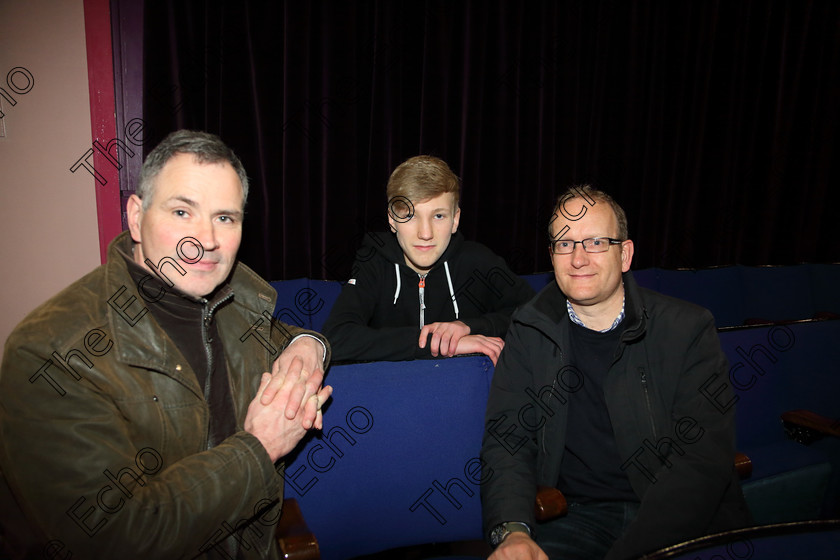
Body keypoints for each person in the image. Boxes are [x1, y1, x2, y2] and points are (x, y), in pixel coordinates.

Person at [0, 130, 332, 560]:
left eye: (225, 218)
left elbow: (286, 338)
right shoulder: (50, 353)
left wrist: (309, 346)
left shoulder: (231, 299)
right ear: (136, 216)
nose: (205, 239)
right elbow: (111, 539)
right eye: (181, 211)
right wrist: (260, 447)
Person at [480, 185, 751, 560]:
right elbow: (507, 442)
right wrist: (512, 531)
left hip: (676, 519)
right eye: (564, 243)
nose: (578, 258)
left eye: (594, 242)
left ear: (624, 254)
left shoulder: (687, 328)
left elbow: (700, 463)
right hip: (575, 518)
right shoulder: (529, 328)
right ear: (552, 256)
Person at [322, 155, 534, 364]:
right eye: (410, 216)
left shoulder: (478, 261)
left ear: (455, 219)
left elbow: (537, 315)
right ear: (392, 220)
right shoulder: (374, 263)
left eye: (438, 216)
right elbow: (336, 338)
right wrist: (439, 343)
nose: (425, 233)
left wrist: (470, 326)